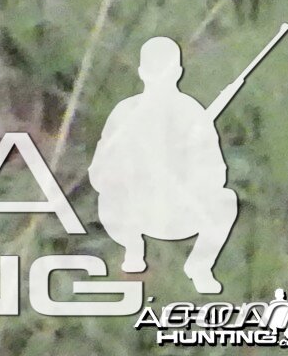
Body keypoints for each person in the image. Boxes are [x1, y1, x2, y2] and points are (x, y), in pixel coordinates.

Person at [96, 37, 244, 294]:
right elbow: (100, 170)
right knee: (111, 200)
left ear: (177, 73)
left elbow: (216, 171)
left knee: (226, 201)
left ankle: (200, 266)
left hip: (180, 210)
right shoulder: (125, 113)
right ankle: (133, 255)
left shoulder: (192, 113)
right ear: (142, 73)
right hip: (135, 210)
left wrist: (188, 173)